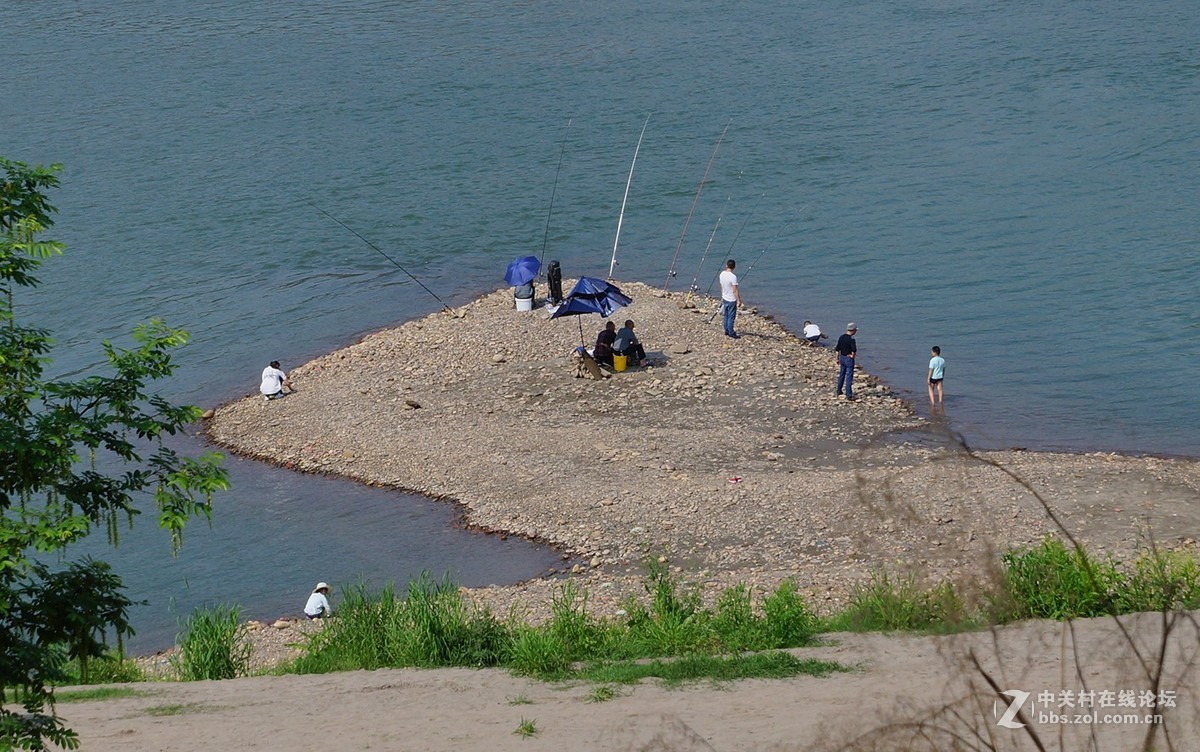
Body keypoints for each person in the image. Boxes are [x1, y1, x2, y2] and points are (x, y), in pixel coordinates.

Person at [834, 323, 858, 401]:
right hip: (848, 359)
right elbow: (854, 350)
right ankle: (849, 395)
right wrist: (852, 356)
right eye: (855, 330)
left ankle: (839, 390)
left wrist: (837, 359)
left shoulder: (841, 337)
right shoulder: (851, 339)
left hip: (842, 357)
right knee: (849, 377)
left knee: (842, 374)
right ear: (853, 330)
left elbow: (837, 349)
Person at [719, 259, 741, 338]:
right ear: (734, 267)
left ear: (726, 265)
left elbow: (721, 285)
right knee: (731, 317)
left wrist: (722, 295)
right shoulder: (733, 277)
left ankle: (726, 330)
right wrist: (739, 300)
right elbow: (734, 290)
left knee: (726, 315)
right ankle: (731, 332)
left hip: (725, 297)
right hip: (731, 299)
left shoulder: (722, 274)